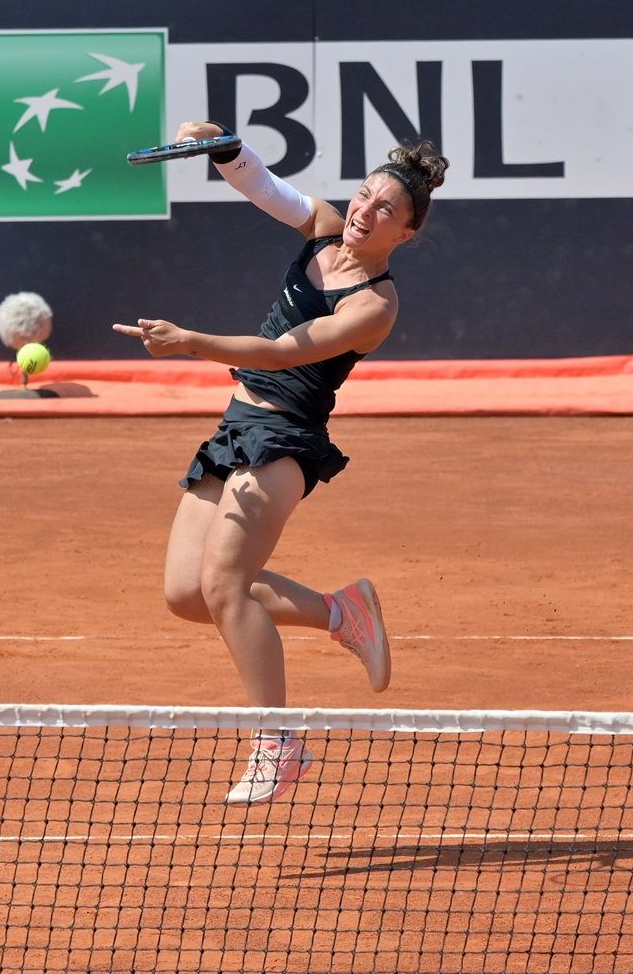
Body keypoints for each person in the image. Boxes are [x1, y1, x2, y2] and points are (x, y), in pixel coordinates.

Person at [113, 121, 448, 803]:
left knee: (226, 585)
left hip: (287, 440)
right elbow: (266, 188)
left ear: (405, 234)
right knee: (186, 593)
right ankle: (340, 612)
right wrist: (224, 148)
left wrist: (189, 342)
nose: (365, 211)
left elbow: (283, 352)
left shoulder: (375, 306)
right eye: (364, 196)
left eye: (386, 209)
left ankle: (278, 742)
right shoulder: (323, 226)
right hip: (237, 425)